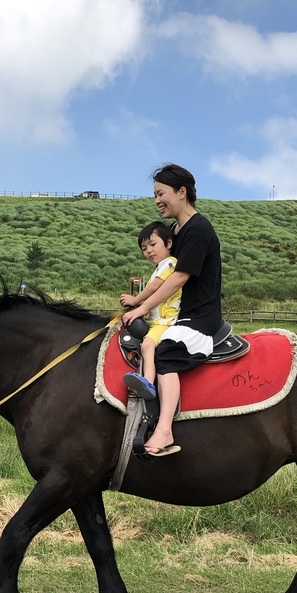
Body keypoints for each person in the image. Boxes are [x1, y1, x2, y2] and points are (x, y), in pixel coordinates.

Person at [121, 164, 222, 458]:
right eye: (154, 195)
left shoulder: (199, 230)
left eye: (161, 193)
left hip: (197, 317)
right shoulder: (175, 231)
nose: (157, 200)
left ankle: (164, 429)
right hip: (175, 315)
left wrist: (143, 307)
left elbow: (179, 277)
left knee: (164, 351)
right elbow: (164, 273)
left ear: (182, 192)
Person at [119, 221, 180, 390]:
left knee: (147, 345)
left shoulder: (170, 263)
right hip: (156, 321)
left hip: (165, 322)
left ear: (168, 244)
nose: (149, 251)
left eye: (153, 244)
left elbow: (154, 287)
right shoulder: (160, 267)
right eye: (144, 248)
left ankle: (147, 381)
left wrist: (135, 301)